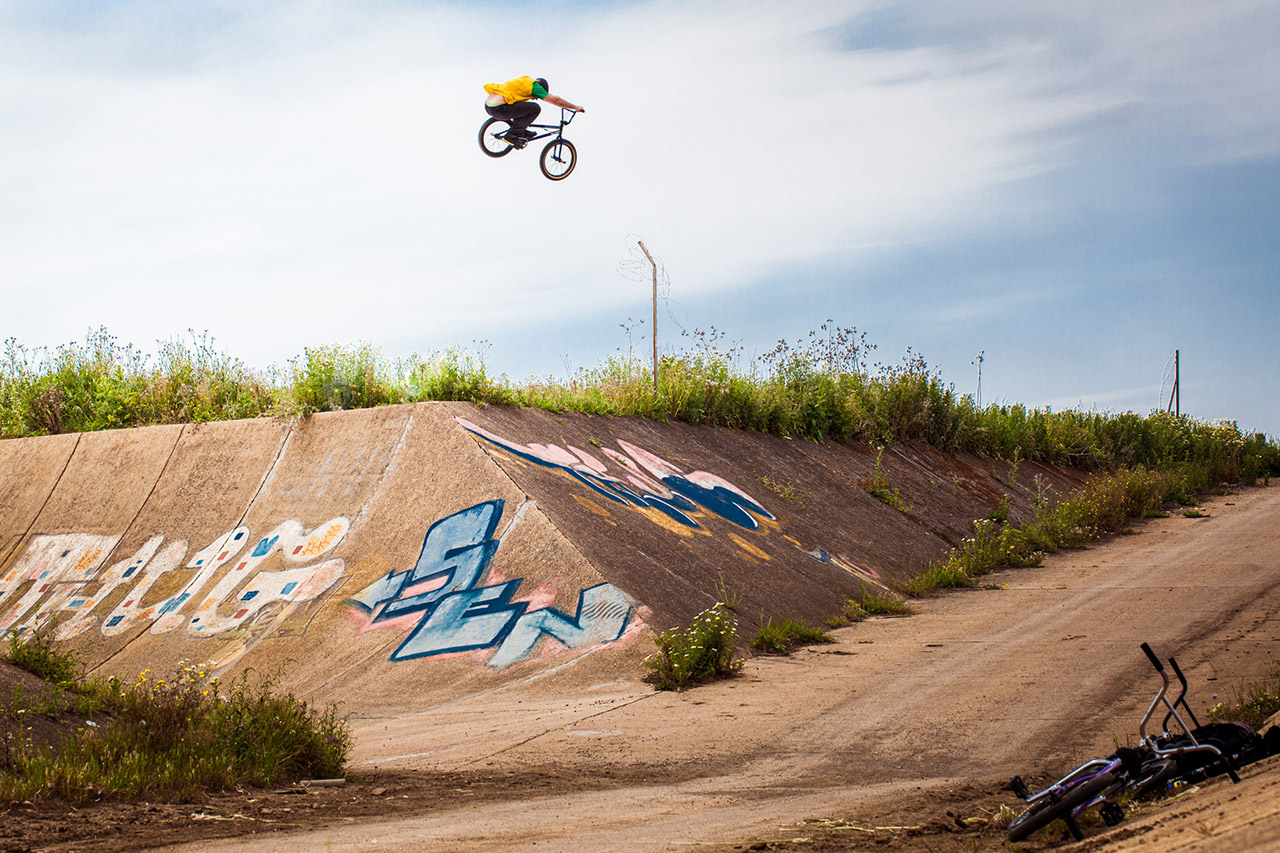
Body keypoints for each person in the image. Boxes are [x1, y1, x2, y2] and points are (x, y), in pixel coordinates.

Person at [483, 76, 584, 147]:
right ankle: (511, 136)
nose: (536, 98)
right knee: (535, 108)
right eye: (539, 96)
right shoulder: (535, 87)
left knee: (522, 108)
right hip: (500, 109)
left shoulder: (524, 81)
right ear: (541, 89)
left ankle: (521, 131)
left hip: (489, 107)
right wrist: (575, 107)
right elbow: (556, 100)